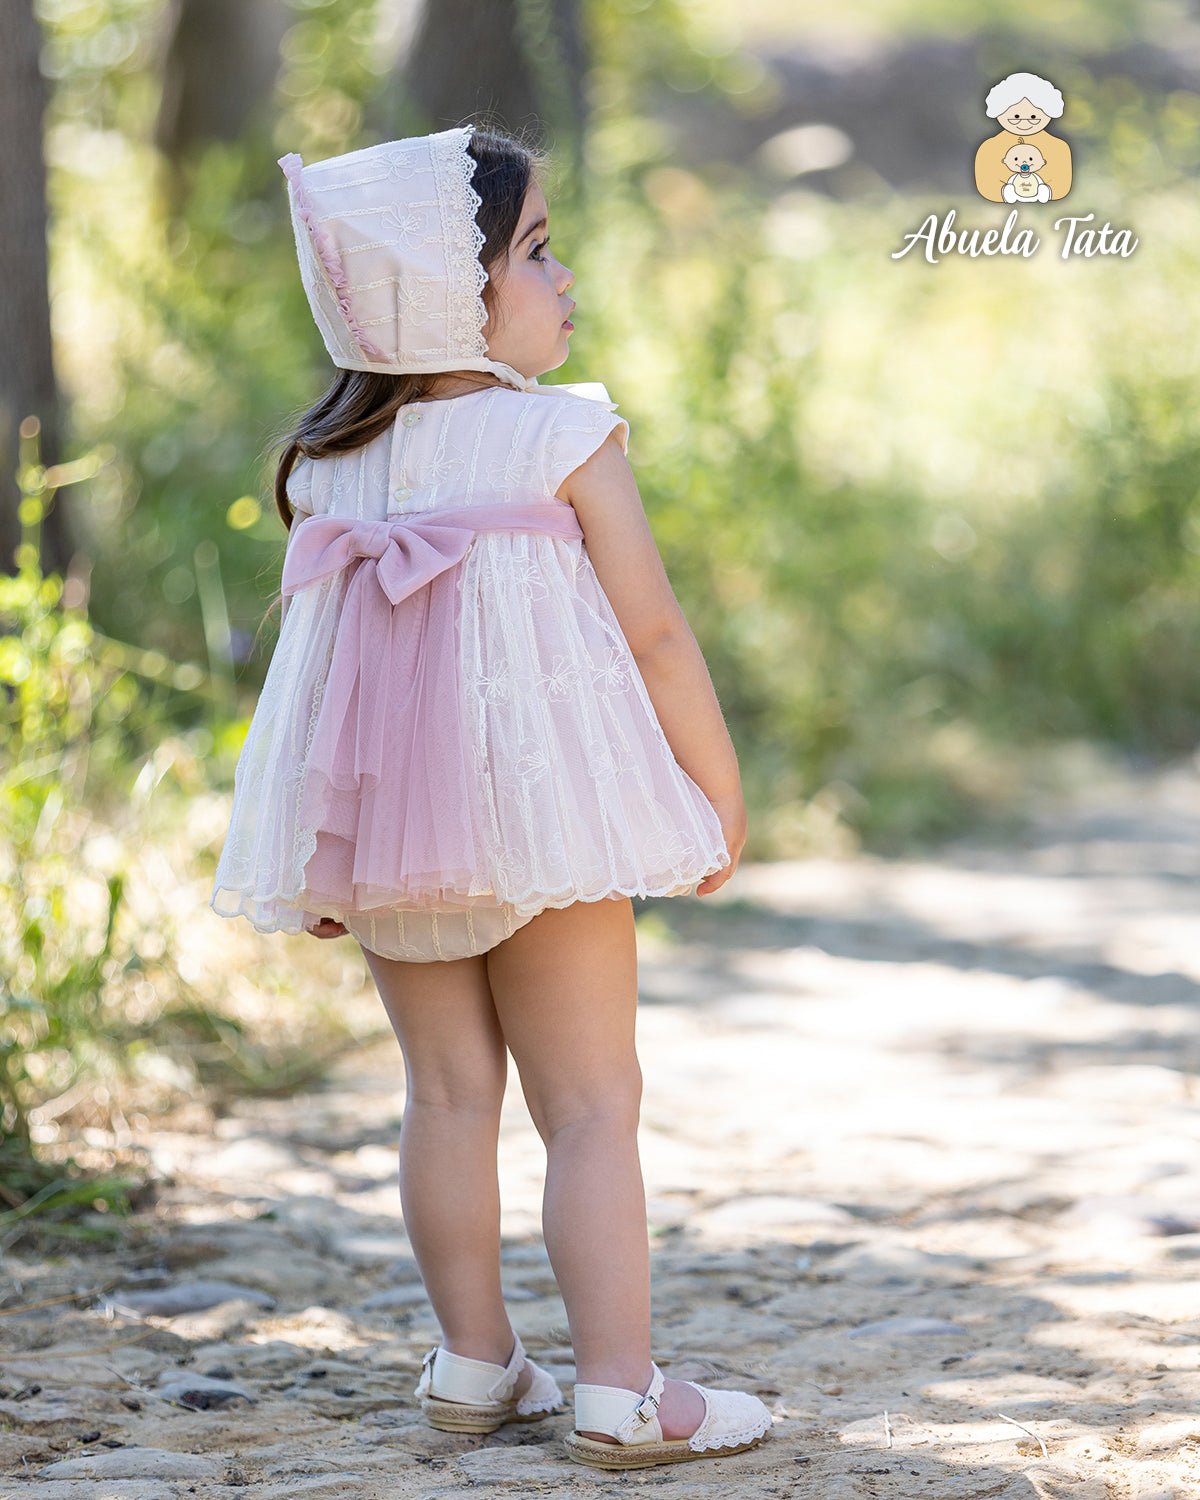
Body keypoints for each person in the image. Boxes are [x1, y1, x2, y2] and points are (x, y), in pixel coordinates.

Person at [211, 125, 772, 1470]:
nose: (564, 275)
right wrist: (714, 789)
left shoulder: (326, 469)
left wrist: (323, 845)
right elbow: (653, 636)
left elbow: (315, 680)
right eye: (533, 250)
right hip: (545, 818)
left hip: (392, 833)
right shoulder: (559, 432)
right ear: (436, 292)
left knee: (447, 1095)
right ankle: (622, 1393)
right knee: (589, 1104)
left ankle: (475, 1363)